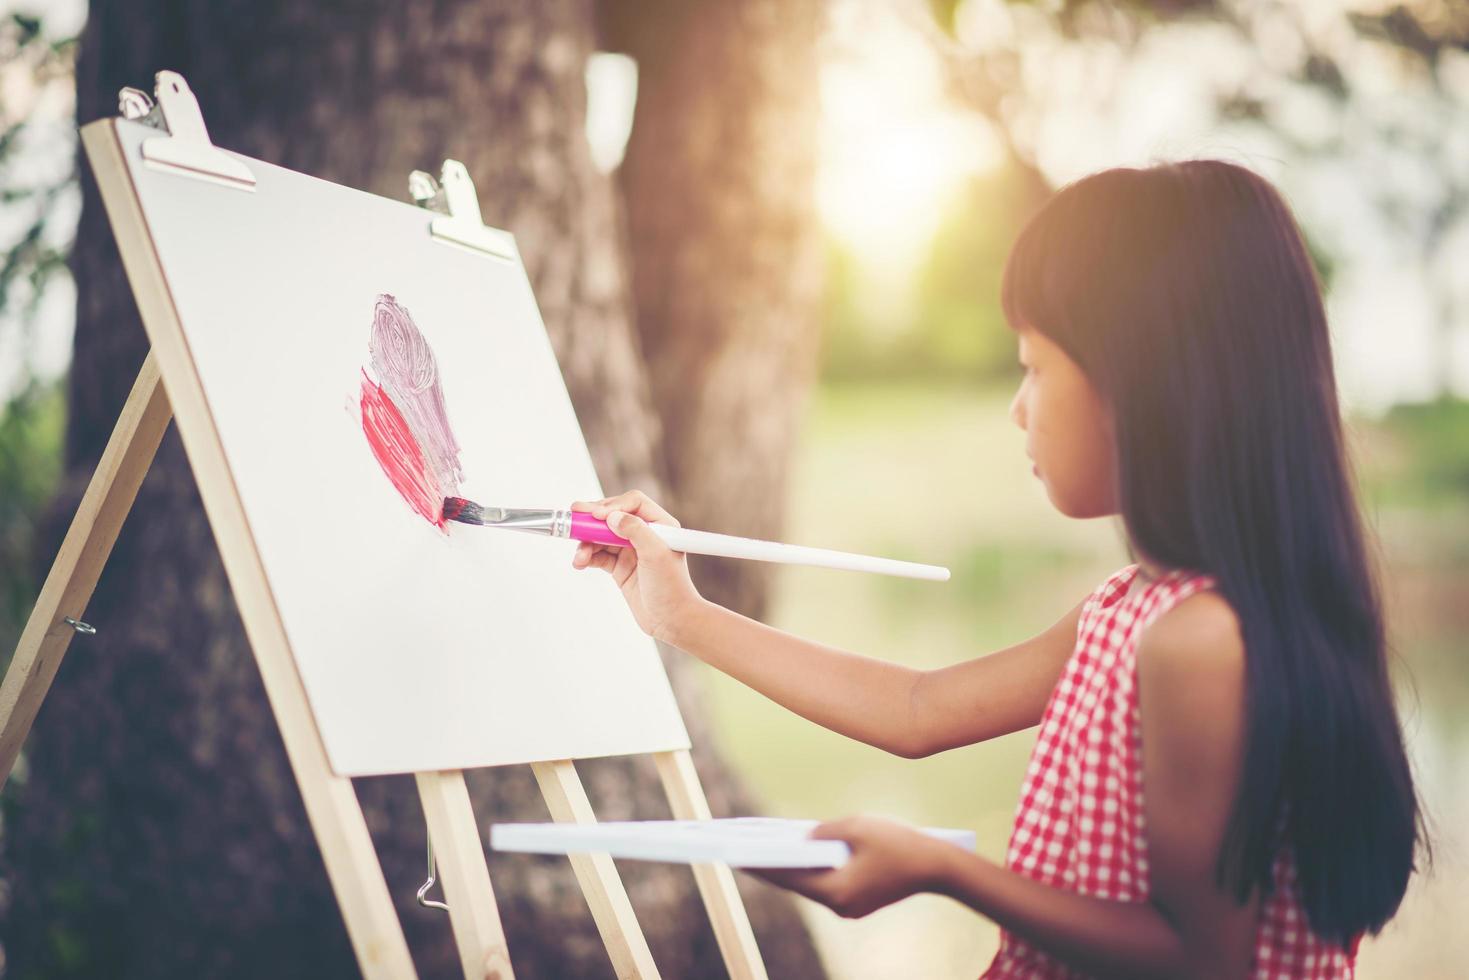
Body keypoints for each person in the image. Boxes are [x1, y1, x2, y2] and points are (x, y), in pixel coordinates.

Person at [570, 160, 1425, 978]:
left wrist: (945, 870)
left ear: (1144, 387)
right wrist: (680, 616)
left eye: (1034, 368)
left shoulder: (1200, 641)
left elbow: (1201, 962)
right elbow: (917, 709)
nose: (1018, 408)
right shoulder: (1129, 609)